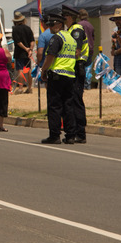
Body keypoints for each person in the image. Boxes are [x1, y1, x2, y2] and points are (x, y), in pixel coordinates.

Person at [40, 10, 77, 144]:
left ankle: (54, 135)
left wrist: (43, 71)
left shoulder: (56, 38)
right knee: (68, 105)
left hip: (56, 75)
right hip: (70, 76)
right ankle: (71, 135)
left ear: (60, 25)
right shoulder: (71, 38)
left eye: (52, 25)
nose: (49, 28)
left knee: (54, 106)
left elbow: (50, 57)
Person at [63, 5, 88, 144]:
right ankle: (74, 131)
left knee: (76, 101)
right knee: (71, 100)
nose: (63, 19)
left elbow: (76, 51)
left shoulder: (76, 30)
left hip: (77, 67)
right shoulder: (71, 29)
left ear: (70, 17)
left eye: (65, 17)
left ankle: (80, 132)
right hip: (73, 68)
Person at [11, 11, 35, 94]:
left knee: (20, 70)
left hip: (19, 52)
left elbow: (18, 42)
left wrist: (25, 49)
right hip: (28, 53)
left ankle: (20, 88)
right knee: (28, 70)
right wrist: (30, 50)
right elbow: (32, 41)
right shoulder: (28, 28)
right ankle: (29, 87)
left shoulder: (15, 29)